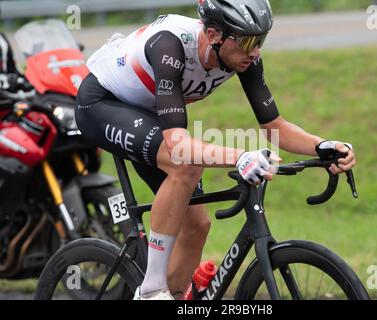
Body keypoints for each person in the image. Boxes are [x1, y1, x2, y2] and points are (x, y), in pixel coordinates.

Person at [75, 0, 356, 300]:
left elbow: (275, 126)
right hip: (102, 104)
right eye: (248, 41)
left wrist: (321, 145)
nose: (256, 51)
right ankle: (151, 290)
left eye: (260, 40)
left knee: (197, 225)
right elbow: (178, 144)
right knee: (185, 164)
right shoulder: (169, 45)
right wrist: (241, 156)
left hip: (149, 115)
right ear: (212, 35)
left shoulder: (241, 56)